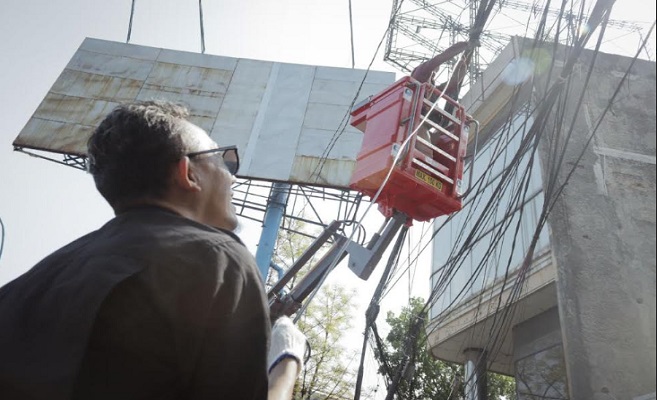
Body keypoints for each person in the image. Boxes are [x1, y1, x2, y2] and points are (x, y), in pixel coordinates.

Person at [0, 100, 306, 400]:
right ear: (188, 173)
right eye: (224, 162)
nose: (231, 175)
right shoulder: (218, 259)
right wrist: (286, 362)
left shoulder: (26, 284)